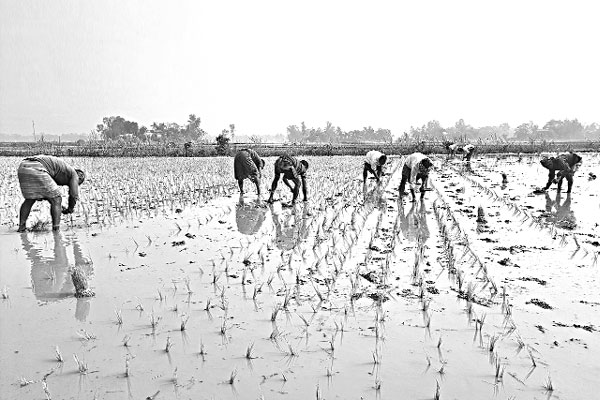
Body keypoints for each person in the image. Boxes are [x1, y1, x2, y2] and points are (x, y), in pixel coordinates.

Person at [17, 155, 85, 232]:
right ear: (80, 177)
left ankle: (21, 227)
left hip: (23, 166)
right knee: (57, 199)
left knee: (30, 199)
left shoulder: (62, 170)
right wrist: (70, 209)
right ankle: (56, 230)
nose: (75, 185)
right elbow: (74, 195)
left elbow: (46, 192)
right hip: (37, 166)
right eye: (77, 184)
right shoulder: (74, 174)